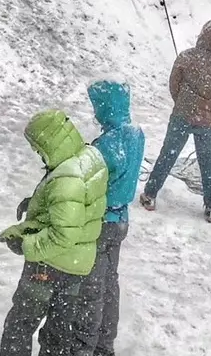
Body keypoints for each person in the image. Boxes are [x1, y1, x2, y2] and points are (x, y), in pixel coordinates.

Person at [0, 110, 108, 356]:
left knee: (19, 327)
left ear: (49, 142)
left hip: (48, 266)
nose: (38, 153)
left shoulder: (67, 178)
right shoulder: (89, 157)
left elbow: (62, 234)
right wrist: (39, 203)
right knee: (58, 335)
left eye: (38, 148)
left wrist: (25, 245)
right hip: (77, 267)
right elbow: (79, 206)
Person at [74, 81, 145, 356]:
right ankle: (105, 343)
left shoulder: (108, 144)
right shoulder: (135, 134)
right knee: (109, 284)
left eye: (98, 107)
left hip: (101, 223)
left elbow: (93, 179)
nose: (96, 114)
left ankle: (84, 347)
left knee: (91, 290)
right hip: (120, 220)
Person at [140, 20, 211, 224]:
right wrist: (209, 108)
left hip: (183, 114)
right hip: (209, 120)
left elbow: (174, 85)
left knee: (168, 154)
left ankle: (150, 195)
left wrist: (185, 102)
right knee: (207, 160)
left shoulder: (186, 57)